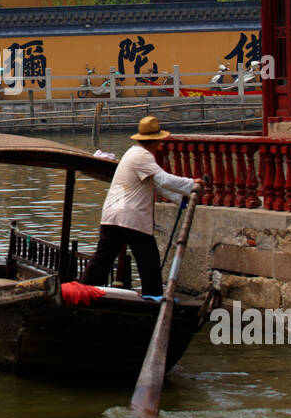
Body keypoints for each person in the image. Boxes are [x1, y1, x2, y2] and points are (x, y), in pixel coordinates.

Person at [81, 115, 203, 297]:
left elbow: (157, 185)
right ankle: (153, 298)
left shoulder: (133, 154)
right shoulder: (142, 155)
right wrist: (192, 184)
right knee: (149, 262)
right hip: (131, 218)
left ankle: (82, 291)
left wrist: (181, 199)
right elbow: (163, 179)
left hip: (112, 216)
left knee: (102, 259)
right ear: (155, 141)